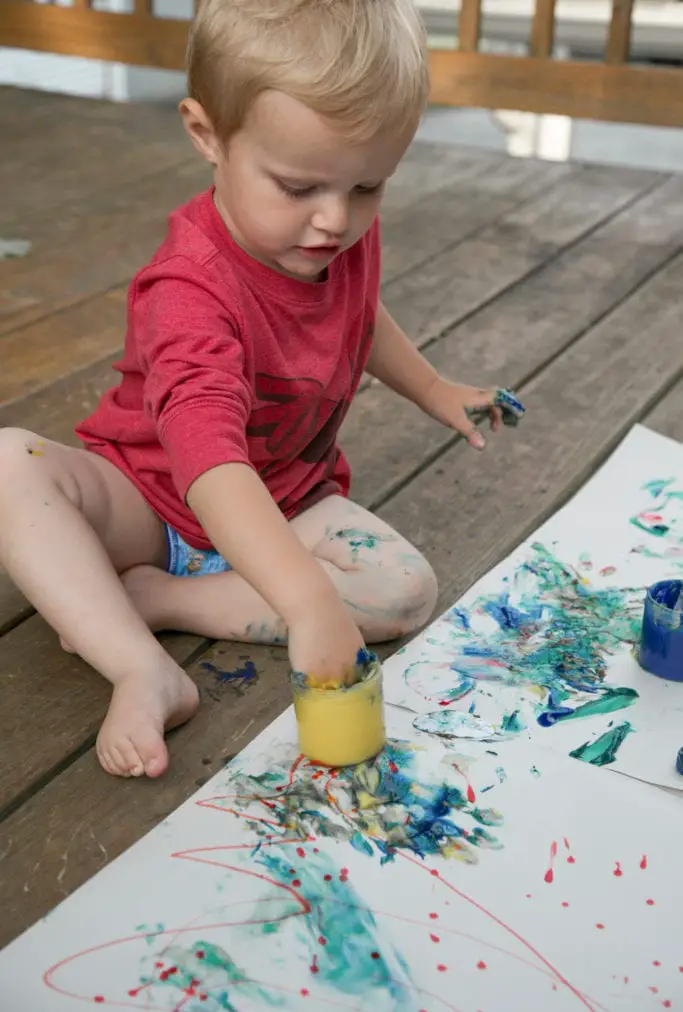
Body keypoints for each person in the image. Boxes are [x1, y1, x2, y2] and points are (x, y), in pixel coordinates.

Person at [0, 0, 521, 781]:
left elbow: (357, 314)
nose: (334, 221)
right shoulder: (189, 291)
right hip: (151, 501)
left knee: (404, 592)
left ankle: (152, 603)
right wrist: (308, 602)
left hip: (288, 500)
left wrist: (431, 385)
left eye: (368, 187)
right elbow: (207, 468)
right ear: (207, 135)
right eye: (298, 185)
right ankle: (141, 666)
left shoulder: (334, 226)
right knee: (11, 464)